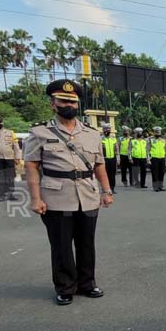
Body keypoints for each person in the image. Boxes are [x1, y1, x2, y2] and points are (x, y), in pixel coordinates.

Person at [23, 79, 114, 305]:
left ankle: (87, 283)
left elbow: (99, 164)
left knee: (86, 243)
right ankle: (65, 286)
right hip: (56, 197)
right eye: (63, 101)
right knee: (61, 245)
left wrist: (107, 190)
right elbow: (32, 166)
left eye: (73, 101)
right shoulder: (39, 133)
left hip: (88, 195)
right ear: (53, 104)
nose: (69, 105)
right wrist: (35, 199)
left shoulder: (92, 134)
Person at [148, 126, 166, 192]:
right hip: (154, 158)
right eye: (156, 132)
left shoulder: (163, 140)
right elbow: (147, 150)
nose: (157, 133)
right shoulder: (150, 140)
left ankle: (160, 186)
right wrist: (148, 159)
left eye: (159, 132)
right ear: (154, 132)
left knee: (161, 173)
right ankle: (155, 187)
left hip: (162, 158)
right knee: (155, 173)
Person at [101, 123, 118, 193]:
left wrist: (118, 158)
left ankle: (112, 188)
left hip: (113, 158)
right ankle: (105, 189)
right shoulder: (100, 138)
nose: (107, 130)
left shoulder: (113, 138)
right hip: (105, 159)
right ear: (103, 130)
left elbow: (116, 148)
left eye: (108, 129)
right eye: (106, 129)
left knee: (112, 174)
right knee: (105, 174)